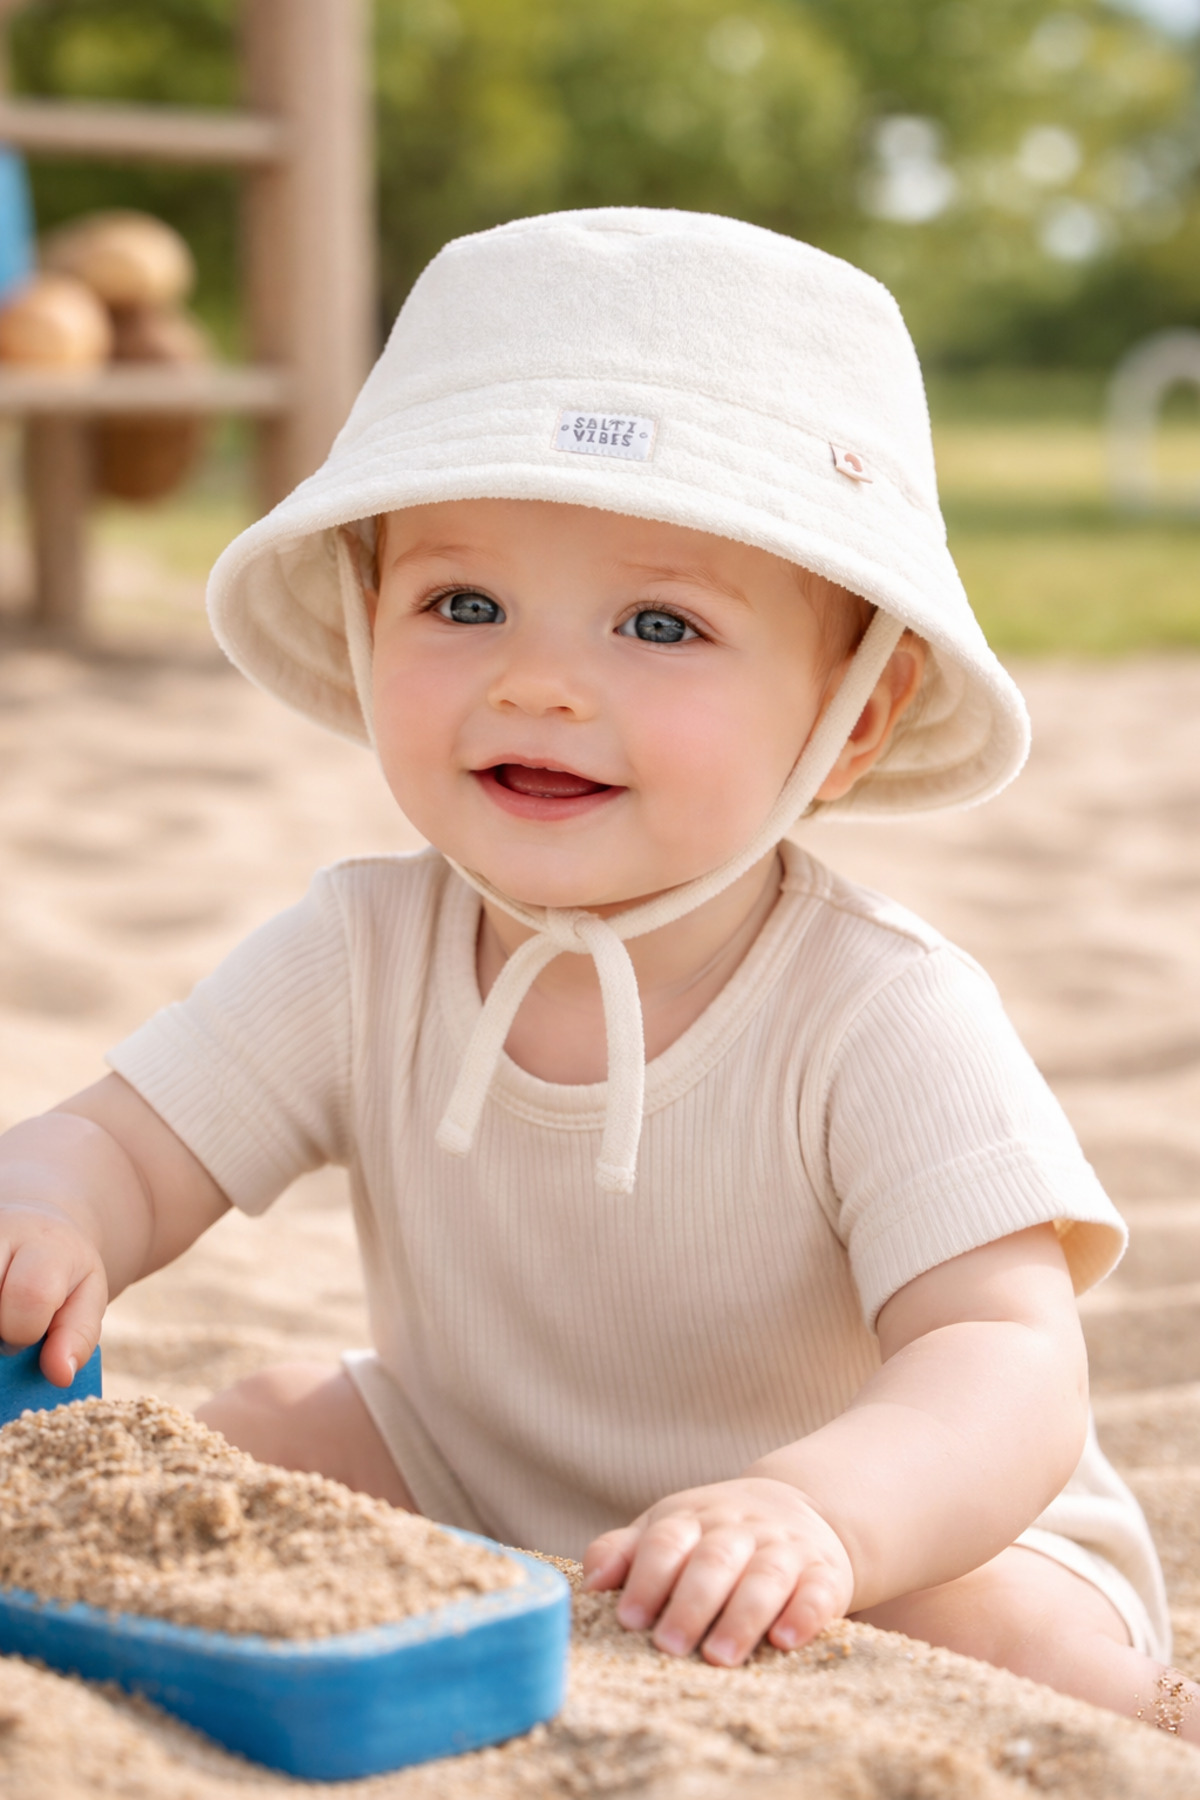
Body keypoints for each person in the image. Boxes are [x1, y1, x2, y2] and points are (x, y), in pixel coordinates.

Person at [0, 208, 1191, 1735]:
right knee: (245, 1440)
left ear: (860, 714)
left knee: (1020, 1639)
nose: (540, 680)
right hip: (477, 1478)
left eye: (659, 622)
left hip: (871, 1532)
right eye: (463, 604)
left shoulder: (882, 1009)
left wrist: (822, 1513)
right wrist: (53, 1203)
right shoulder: (363, 946)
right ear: (367, 627)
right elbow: (131, 1142)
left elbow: (1005, 1361)